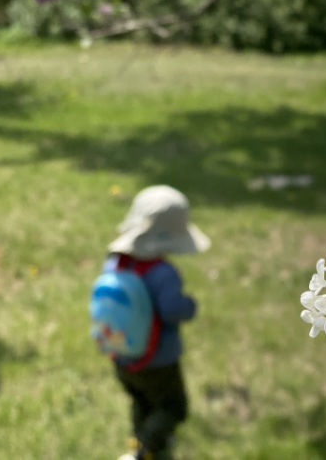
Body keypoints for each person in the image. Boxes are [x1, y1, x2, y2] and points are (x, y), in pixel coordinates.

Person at [102, 185, 210, 460]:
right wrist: (190, 306)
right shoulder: (163, 274)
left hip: (121, 354)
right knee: (174, 406)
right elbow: (172, 310)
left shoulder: (115, 263)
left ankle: (142, 443)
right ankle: (146, 449)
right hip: (158, 361)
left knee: (141, 400)